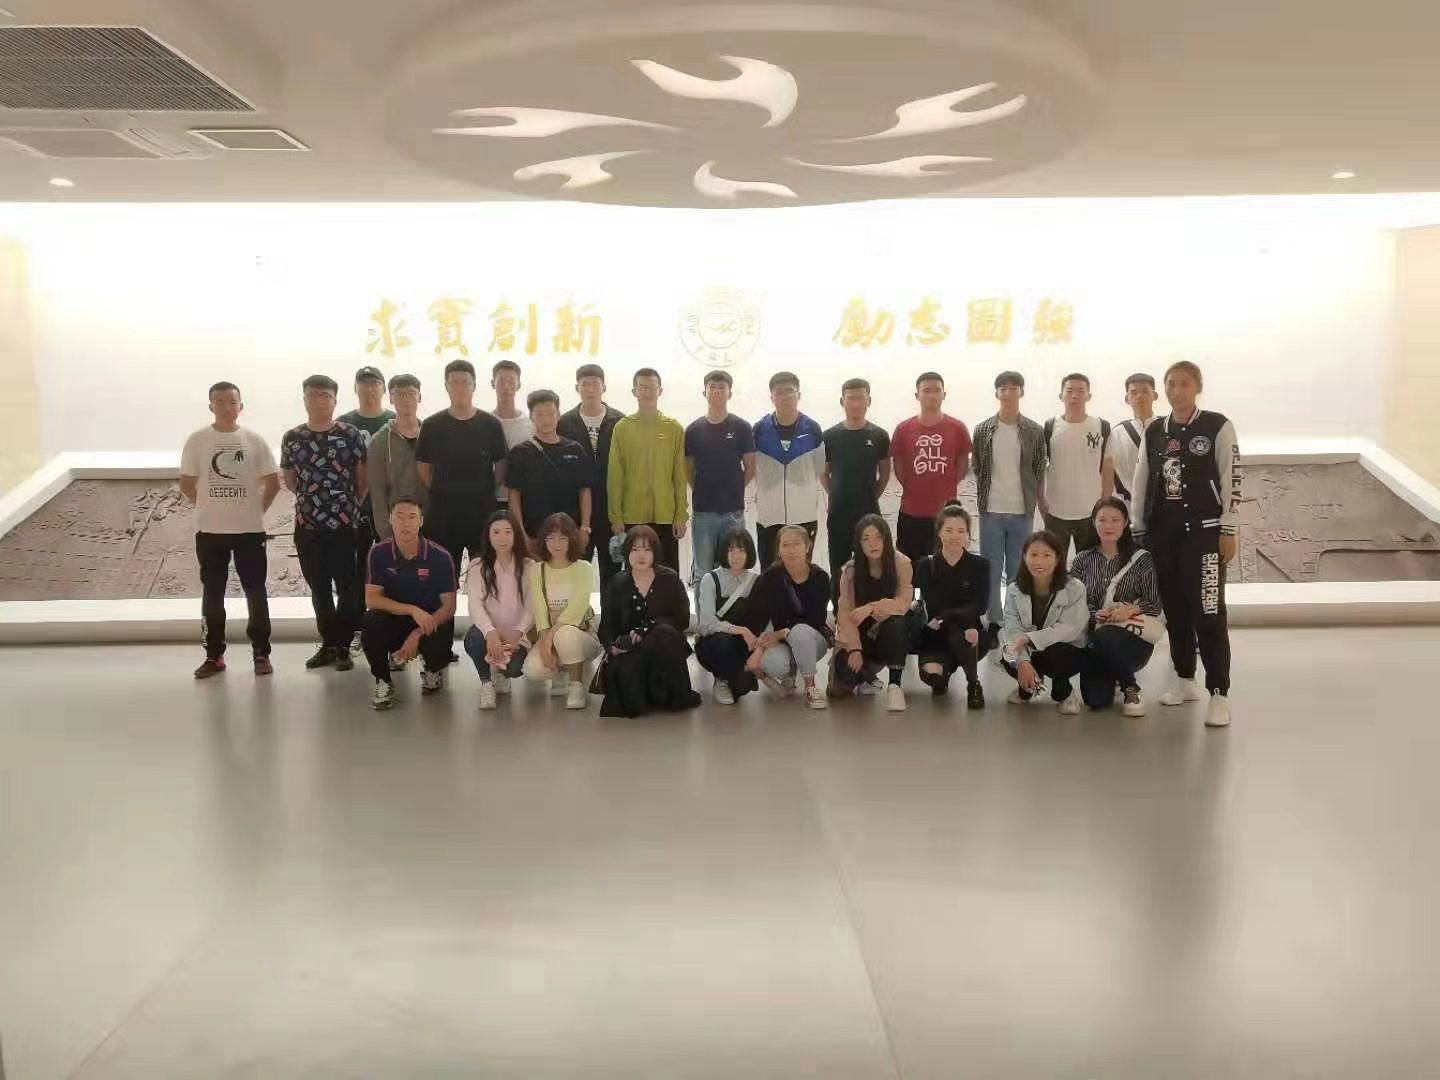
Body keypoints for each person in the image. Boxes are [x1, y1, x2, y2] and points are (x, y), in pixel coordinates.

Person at [1131, 360, 1240, 728]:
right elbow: (1142, 479)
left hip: (1206, 535)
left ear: (1198, 387)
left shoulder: (1217, 426)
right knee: (1175, 611)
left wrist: (1228, 528)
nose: (1177, 391)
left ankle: (1219, 693)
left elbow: (1231, 477)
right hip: (1164, 535)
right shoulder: (1156, 430)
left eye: (1185, 384)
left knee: (1209, 614)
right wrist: (1138, 525)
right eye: (1171, 384)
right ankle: (1184, 679)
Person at [180, 381, 280, 679]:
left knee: (255, 591)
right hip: (210, 532)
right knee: (213, 594)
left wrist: (256, 510)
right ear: (210, 405)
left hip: (249, 531)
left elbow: (273, 482)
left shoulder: (253, 440)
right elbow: (187, 484)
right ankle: (214, 656)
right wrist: (207, 507)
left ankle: (261, 652)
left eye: (232, 402)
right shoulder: (197, 440)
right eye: (220, 402)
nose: (226, 407)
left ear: (241, 406)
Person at [280, 374, 368, 672]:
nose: (318, 401)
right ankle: (328, 644)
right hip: (308, 526)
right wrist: (314, 501)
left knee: (348, 588)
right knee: (318, 589)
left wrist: (345, 505)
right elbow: (291, 480)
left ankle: (344, 645)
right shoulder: (293, 437)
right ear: (304, 400)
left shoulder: (350, 434)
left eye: (325, 395)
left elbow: (362, 480)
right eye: (313, 395)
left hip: (344, 524)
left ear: (335, 400)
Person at [970, 371, 1047, 652]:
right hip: (991, 511)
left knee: (1018, 571)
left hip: (1021, 511)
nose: (1008, 393)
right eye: (1002, 388)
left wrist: (1038, 504)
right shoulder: (982, 429)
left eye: (1013, 388)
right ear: (997, 393)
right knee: (991, 571)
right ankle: (995, 623)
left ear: (1021, 392)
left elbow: (1038, 468)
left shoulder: (1034, 430)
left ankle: (1016, 624)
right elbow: (977, 466)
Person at [597, 526, 704, 718]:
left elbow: (682, 619)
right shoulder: (616, 582)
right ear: (627, 552)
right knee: (629, 705)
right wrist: (611, 647)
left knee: (664, 634)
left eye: (647, 549)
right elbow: (606, 625)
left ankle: (664, 693)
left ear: (655, 552)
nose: (641, 555)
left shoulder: (670, 578)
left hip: (664, 647)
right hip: (629, 650)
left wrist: (647, 630)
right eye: (635, 549)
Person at [1071, 497, 1164, 717]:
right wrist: (1095, 615)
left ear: (1125, 523)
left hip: (1132, 638)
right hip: (1094, 638)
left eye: (1115, 520)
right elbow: (1072, 603)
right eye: (1102, 519)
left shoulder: (1141, 558)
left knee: (1106, 636)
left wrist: (1131, 609)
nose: (1109, 525)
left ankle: (1131, 688)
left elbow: (1154, 604)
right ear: (1093, 522)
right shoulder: (1081, 560)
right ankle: (1114, 675)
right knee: (1095, 700)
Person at [362, 498, 457, 709]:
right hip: (395, 619)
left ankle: (432, 669)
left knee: (444, 625)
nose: (405, 523)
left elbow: (449, 606)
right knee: (371, 620)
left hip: (428, 622)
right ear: (390, 520)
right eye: (399, 517)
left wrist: (417, 634)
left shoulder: (440, 556)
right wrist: (412, 610)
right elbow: (372, 599)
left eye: (412, 517)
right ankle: (383, 680)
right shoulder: (379, 553)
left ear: (421, 521)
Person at [415, 359, 510, 568]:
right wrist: (442, 489)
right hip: (443, 514)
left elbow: (502, 464)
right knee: (444, 573)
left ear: (474, 385)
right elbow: (422, 467)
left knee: (485, 571)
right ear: (446, 386)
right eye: (454, 382)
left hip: (482, 512)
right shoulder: (432, 425)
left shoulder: (490, 424)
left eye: (465, 382)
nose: (460, 388)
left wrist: (485, 489)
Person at [740, 524, 832, 709]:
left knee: (800, 631)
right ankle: (790, 672)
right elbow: (757, 616)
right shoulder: (770, 578)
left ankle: (810, 688)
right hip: (781, 642)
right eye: (785, 545)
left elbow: (815, 620)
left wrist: (781, 632)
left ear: (807, 547)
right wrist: (757, 650)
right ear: (779, 550)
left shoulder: (820, 577)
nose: (791, 550)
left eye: (797, 544)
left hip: (813, 640)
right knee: (772, 663)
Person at [607, 368, 688, 572]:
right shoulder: (622, 428)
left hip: (665, 515)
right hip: (632, 516)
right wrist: (616, 517)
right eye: (642, 387)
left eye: (652, 387)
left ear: (660, 391)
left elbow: (679, 475)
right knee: (635, 574)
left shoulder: (673, 428)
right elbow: (615, 476)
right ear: (634, 392)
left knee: (667, 574)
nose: (647, 392)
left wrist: (680, 515)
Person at [831, 515, 913, 712]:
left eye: (878, 537)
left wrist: (871, 607)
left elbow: (903, 603)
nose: (872, 544)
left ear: (886, 539)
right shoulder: (850, 571)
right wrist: (854, 648)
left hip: (890, 632)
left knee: (897, 622)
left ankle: (894, 686)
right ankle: (868, 677)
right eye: (866, 539)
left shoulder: (901, 563)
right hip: (862, 635)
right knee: (838, 685)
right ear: (859, 543)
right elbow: (845, 614)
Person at [1000, 531, 1089, 714]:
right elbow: (1012, 628)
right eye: (1033, 555)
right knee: (1007, 655)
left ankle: (1064, 691)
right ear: (1024, 557)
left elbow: (1069, 629)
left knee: (1055, 655)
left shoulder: (1075, 588)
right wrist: (1022, 663)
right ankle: (1029, 684)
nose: (1039, 561)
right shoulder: (1014, 589)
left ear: (1057, 559)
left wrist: (1027, 638)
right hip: (1029, 649)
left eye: (1047, 555)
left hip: (1065, 648)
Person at [338, 365, 397, 640]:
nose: (369, 388)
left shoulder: (396, 420)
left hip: (391, 508)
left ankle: (393, 624)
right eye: (364, 383)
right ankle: (357, 628)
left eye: (374, 383)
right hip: (356, 509)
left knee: (393, 565)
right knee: (356, 568)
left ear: (384, 389)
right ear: (355, 388)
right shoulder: (344, 424)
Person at [822, 377, 892, 608]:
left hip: (869, 513)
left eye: (860, 398)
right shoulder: (829, 436)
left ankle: (870, 613)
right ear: (842, 401)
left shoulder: (879, 435)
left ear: (868, 401)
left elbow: (884, 475)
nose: (855, 403)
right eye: (850, 398)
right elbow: (824, 474)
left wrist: (869, 497)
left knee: (872, 565)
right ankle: (840, 615)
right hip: (839, 513)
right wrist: (837, 495)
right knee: (838, 566)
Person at [913, 503, 991, 708]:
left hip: (970, 632)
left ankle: (973, 684)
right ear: (939, 532)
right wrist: (948, 617)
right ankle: (946, 671)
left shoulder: (981, 565)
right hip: (936, 634)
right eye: (949, 530)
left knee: (964, 633)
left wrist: (949, 617)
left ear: (968, 535)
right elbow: (933, 604)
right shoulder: (926, 565)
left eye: (961, 531)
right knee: (933, 678)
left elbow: (980, 606)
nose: (955, 536)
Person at [891, 372, 973, 563]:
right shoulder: (903, 429)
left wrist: (946, 484)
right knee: (910, 568)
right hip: (911, 512)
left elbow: (962, 465)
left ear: (944, 394)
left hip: (947, 515)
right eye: (926, 390)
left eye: (936, 390)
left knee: (945, 568)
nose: (932, 395)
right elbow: (899, 467)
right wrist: (914, 486)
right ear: (917, 395)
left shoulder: (957, 428)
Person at [684, 370, 756, 586]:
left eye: (722, 387)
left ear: (729, 393)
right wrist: (701, 489)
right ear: (704, 392)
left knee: (734, 568)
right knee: (703, 571)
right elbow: (688, 469)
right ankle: (704, 610)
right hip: (704, 512)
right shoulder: (694, 429)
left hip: (733, 511)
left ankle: (729, 609)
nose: (716, 391)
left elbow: (750, 467)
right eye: (712, 387)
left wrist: (734, 488)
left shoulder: (742, 427)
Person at [523, 513, 602, 710]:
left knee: (565, 634)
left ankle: (577, 685)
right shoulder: (537, 570)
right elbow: (540, 610)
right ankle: (561, 672)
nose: (556, 544)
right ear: (544, 541)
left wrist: (549, 638)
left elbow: (576, 609)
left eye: (562, 538)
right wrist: (544, 641)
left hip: (582, 635)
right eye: (551, 538)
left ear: (571, 539)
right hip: (550, 635)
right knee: (533, 669)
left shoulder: (583, 568)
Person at [558, 363, 625, 592]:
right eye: (584, 384)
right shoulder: (564, 423)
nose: (589, 389)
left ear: (603, 387)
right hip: (576, 513)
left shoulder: (620, 421)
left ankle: (610, 616)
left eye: (595, 384)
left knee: (612, 574)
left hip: (610, 511)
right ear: (576, 387)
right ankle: (577, 615)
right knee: (575, 572)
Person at [506, 389, 594, 556]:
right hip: (534, 536)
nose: (546, 419)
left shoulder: (575, 449)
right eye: (539, 414)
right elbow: (514, 496)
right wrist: (521, 534)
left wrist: (585, 527)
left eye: (550, 413)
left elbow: (584, 490)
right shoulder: (521, 452)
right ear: (531, 417)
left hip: (569, 536)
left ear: (558, 414)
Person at [462, 509, 533, 711]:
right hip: (488, 632)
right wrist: (490, 632)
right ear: (488, 536)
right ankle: (486, 683)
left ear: (516, 535)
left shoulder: (529, 566)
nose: (502, 538)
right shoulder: (477, 566)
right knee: (474, 639)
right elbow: (475, 604)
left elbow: (532, 606)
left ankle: (502, 674)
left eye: (508, 532)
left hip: (516, 635)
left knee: (515, 668)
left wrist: (518, 632)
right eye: (496, 532)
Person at [753, 372, 825, 567]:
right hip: (769, 516)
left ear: (798, 395)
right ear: (772, 397)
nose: (785, 396)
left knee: (802, 571)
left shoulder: (812, 429)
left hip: (804, 515)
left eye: (790, 391)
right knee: (769, 572)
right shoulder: (759, 429)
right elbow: (753, 466)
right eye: (779, 392)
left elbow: (819, 467)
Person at [1041, 373, 1114, 557]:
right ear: (1061, 396)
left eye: (1081, 391)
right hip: (1056, 513)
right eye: (1070, 391)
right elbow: (1040, 468)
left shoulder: (1101, 426)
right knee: (1055, 566)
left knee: (1090, 566)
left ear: (1089, 396)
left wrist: (1104, 506)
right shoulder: (1050, 427)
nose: (1075, 396)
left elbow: (1107, 469)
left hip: (1090, 513)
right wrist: (1042, 505)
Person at [693, 527, 762, 705]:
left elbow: (764, 619)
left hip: (744, 646)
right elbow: (706, 624)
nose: (736, 555)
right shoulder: (710, 579)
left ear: (749, 552)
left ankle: (738, 675)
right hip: (714, 644)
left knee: (742, 687)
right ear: (723, 552)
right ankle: (722, 679)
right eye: (730, 549)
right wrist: (742, 630)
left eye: (741, 549)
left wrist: (758, 646)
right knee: (722, 642)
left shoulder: (756, 580)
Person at [367, 373, 426, 540]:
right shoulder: (379, 441)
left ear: (419, 397)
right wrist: (386, 533)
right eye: (399, 394)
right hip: (397, 525)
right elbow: (377, 491)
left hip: (431, 521)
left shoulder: (432, 435)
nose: (405, 399)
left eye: (411, 393)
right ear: (391, 399)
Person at [1110, 373, 1159, 507]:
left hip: (1164, 505)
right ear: (1127, 398)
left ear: (1155, 395)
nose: (1139, 396)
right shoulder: (1117, 433)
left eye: (1145, 391)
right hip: (1129, 505)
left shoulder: (1167, 428)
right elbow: (1112, 473)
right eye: (1134, 392)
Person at [491, 359, 534, 505]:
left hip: (524, 499)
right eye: (501, 381)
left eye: (511, 382)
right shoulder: (485, 422)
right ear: (493, 384)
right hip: (492, 498)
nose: (506, 387)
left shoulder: (531, 424)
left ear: (519, 385)